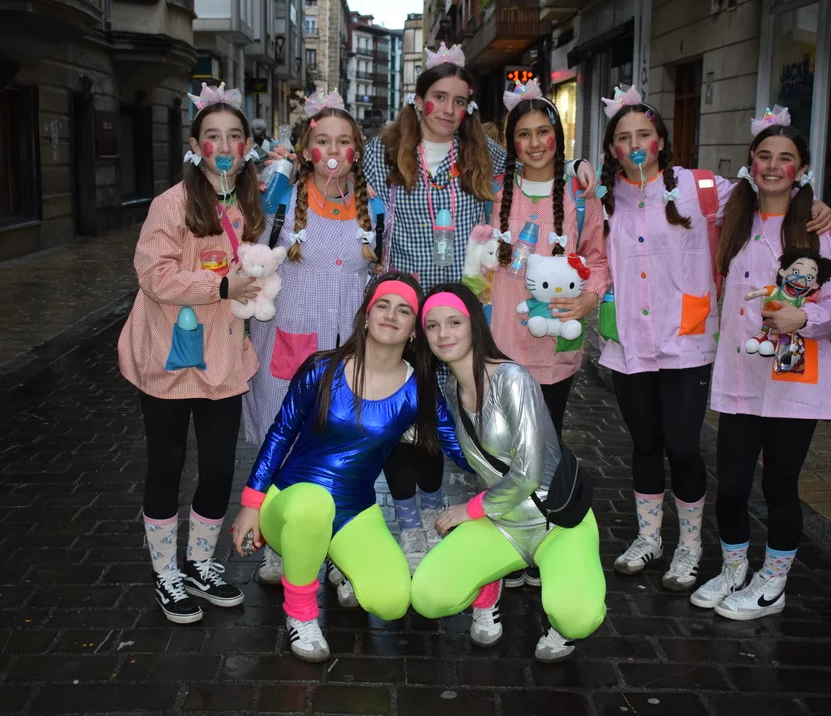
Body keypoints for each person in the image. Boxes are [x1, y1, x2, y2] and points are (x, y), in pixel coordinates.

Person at [360, 44, 598, 567]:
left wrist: (577, 163)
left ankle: (447, 508)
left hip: (464, 311)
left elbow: (536, 161)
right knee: (405, 415)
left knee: (449, 417)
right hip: (407, 307)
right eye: (439, 97)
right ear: (419, 100)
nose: (449, 110)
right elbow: (345, 184)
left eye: (460, 100)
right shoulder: (383, 151)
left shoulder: (483, 153)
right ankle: (410, 522)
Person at [596, 86, 831, 593]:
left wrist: (815, 206)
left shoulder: (704, 189)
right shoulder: (600, 197)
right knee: (644, 444)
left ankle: (690, 546)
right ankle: (648, 538)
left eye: (644, 133)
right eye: (623, 137)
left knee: (684, 446)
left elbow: (769, 194)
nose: (635, 144)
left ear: (662, 140)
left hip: (686, 340)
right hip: (629, 342)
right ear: (612, 148)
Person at [229, 274, 471, 663]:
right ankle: (301, 613)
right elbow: (280, 434)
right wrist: (251, 502)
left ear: (414, 331)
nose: (391, 315)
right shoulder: (323, 368)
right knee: (313, 507)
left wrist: (518, 471)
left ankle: (334, 554)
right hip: (291, 504)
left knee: (391, 601)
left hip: (353, 510)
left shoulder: (418, 390)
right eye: (382, 305)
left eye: (404, 311)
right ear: (366, 316)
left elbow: (460, 451)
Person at [691, 110, 831, 620]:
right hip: (742, 373)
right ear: (750, 161)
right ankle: (734, 568)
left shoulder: (816, 229)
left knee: (779, 485)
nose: (772, 165)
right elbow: (673, 184)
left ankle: (774, 581)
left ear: (801, 168)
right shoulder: (732, 217)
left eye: (785, 158)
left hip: (794, 377)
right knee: (732, 485)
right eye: (764, 155)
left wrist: (804, 317)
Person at [117, 82, 264, 625]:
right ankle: (166, 572)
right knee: (167, 463)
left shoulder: (250, 201)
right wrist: (221, 287)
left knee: (220, 467)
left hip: (223, 356)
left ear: (247, 144)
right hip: (169, 355)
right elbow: (153, 274)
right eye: (212, 136)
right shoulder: (171, 203)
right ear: (195, 145)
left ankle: (200, 563)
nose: (223, 146)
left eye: (233, 135)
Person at [410, 283, 606, 663]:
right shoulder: (450, 385)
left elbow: (528, 474)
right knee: (428, 597)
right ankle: (489, 591)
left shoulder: (510, 379)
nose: (443, 333)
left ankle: (565, 612)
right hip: (502, 524)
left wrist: (469, 510)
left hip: (556, 521)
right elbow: (461, 450)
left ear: (474, 324)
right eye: (432, 326)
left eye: (454, 322)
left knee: (576, 617)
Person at [242, 90, 383, 583]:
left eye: (344, 141)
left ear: (356, 152)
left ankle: (338, 546)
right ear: (306, 150)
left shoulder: (374, 209)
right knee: (282, 446)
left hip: (347, 353)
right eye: (323, 141)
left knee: (341, 450)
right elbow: (249, 256)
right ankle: (276, 541)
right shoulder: (281, 199)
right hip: (289, 346)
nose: (333, 151)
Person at [485, 78, 610, 590]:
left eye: (544, 131)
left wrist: (590, 297)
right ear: (511, 142)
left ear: (558, 135)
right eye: (524, 134)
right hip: (501, 340)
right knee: (504, 445)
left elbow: (598, 258)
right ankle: (508, 539)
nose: (535, 143)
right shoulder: (494, 189)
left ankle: (543, 538)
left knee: (548, 444)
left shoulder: (581, 195)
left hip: (556, 343)